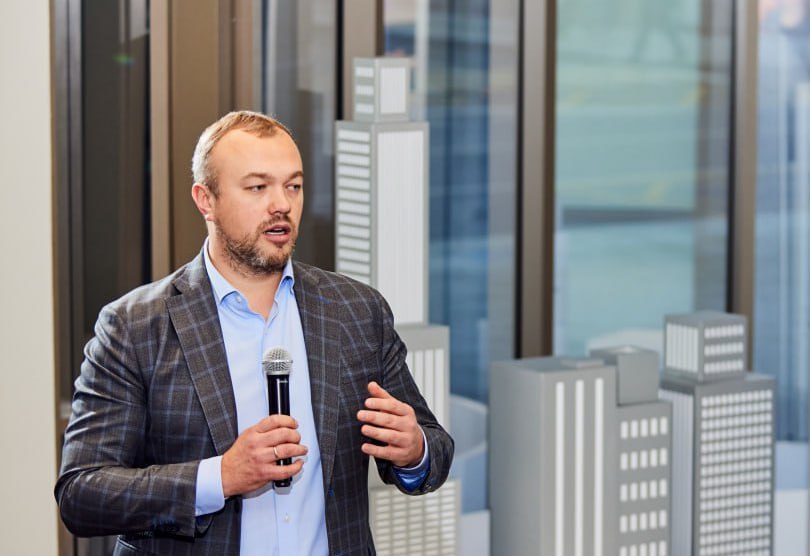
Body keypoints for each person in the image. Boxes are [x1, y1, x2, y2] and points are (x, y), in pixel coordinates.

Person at [55, 110, 454, 555]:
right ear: (206, 200)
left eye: (293, 186)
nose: (281, 204)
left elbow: (433, 450)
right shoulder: (135, 327)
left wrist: (414, 449)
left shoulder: (356, 311)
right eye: (258, 187)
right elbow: (82, 494)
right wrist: (221, 476)